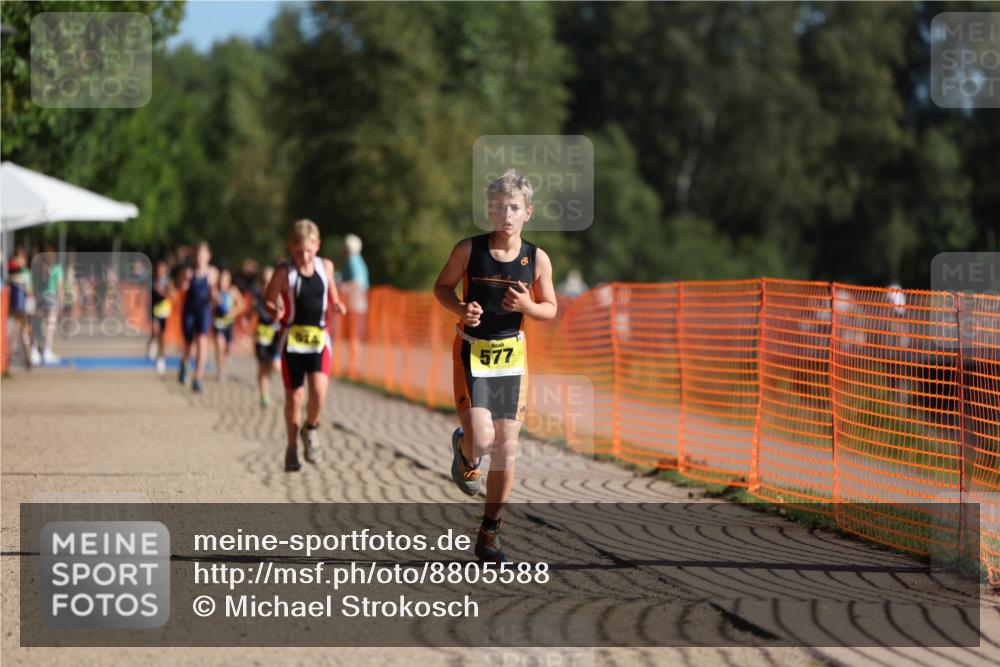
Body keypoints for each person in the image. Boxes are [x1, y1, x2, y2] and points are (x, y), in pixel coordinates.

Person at [433, 169, 558, 562]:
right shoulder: (468, 250)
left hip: (511, 359)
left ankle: (490, 533)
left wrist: (527, 307)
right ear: (489, 210)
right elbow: (442, 287)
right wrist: (460, 308)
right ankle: (466, 453)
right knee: (482, 441)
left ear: (528, 212)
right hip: (472, 352)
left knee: (506, 447)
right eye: (499, 207)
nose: (506, 214)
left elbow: (551, 308)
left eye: (514, 208)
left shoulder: (537, 259)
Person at [263, 220, 347, 472]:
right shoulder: (283, 272)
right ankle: (291, 448)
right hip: (293, 340)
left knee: (319, 394)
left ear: (317, 246)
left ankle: (310, 429)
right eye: (298, 251)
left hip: (319, 338)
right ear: (290, 247)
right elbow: (268, 299)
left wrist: (336, 303)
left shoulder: (326, 267)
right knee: (295, 397)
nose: (304, 256)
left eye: (309, 250)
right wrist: (274, 309)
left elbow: (331, 289)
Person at [178, 241, 218, 393]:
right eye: (197, 254)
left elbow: (213, 292)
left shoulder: (213, 273)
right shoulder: (188, 272)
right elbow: (181, 289)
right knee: (189, 344)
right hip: (189, 312)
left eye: (203, 254)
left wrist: (216, 298)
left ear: (209, 256)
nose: (200, 257)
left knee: (202, 342)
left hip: (204, 311)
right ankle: (184, 363)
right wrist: (185, 283)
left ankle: (197, 378)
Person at [250, 266, 282, 407]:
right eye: (263, 282)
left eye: (269, 282)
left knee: (275, 366)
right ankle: (264, 395)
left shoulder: (279, 297)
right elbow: (251, 311)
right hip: (261, 336)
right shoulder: (257, 297)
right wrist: (247, 317)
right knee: (262, 367)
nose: (266, 285)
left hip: (276, 336)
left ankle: (271, 370)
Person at [340, 233, 370, 379]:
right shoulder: (356, 260)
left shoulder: (353, 261)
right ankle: (352, 367)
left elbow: (357, 283)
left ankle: (354, 368)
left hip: (355, 305)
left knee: (354, 337)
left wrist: (342, 287)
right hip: (355, 304)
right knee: (353, 337)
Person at [212, 267, 243, 382]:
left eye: (225, 280)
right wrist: (214, 301)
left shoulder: (233, 291)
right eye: (221, 279)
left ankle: (223, 364)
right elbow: (210, 304)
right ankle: (220, 371)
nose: (223, 282)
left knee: (228, 348)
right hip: (218, 323)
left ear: (229, 280)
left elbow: (241, 304)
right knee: (219, 345)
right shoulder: (215, 291)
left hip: (229, 323)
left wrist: (233, 312)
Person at [35, 245, 63, 365]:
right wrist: (60, 302)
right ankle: (47, 352)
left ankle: (34, 352)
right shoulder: (57, 268)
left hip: (40, 297)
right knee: (50, 327)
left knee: (37, 326)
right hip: (51, 297)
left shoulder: (39, 267)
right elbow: (59, 286)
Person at [6, 247, 34, 369]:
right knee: (20, 331)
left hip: (22, 305)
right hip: (22, 306)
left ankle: (21, 356)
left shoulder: (19, 274)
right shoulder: (23, 274)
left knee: (20, 330)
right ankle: (22, 356)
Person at [147, 260, 173, 375]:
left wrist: (163, 292)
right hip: (154, 311)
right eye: (158, 269)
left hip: (164, 313)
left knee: (163, 338)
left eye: (162, 269)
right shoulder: (152, 281)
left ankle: (161, 359)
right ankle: (152, 344)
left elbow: (172, 294)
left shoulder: (167, 282)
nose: (160, 272)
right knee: (155, 331)